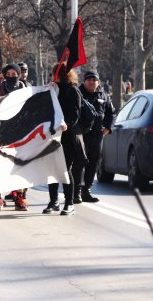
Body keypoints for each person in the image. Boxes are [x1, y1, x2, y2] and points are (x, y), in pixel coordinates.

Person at [44, 62, 86, 216]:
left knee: (65, 169)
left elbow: (75, 114)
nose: (54, 75)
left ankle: (69, 203)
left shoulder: (72, 90)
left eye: (57, 72)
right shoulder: (52, 89)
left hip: (67, 135)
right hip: (52, 135)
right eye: (54, 72)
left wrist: (66, 124)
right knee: (52, 168)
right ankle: (53, 201)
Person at [0, 64, 29, 212]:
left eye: (15, 73)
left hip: (20, 134)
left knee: (19, 166)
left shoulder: (26, 90)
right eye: (9, 73)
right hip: (1, 133)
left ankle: (19, 197)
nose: (12, 76)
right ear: (4, 75)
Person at [78, 71, 115, 203]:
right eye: (89, 79)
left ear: (98, 82)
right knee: (79, 163)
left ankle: (86, 190)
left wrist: (108, 128)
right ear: (84, 81)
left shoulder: (103, 95)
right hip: (81, 135)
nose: (92, 82)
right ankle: (76, 191)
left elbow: (111, 113)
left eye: (94, 80)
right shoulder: (78, 93)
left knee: (93, 163)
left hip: (97, 135)